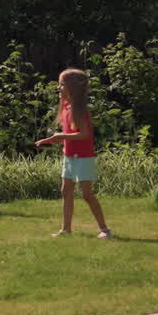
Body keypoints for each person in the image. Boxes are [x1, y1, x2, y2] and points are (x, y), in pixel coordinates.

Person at [34, 68, 111, 239]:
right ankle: (66, 229)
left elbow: (84, 134)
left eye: (61, 84)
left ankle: (104, 230)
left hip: (84, 158)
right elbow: (70, 134)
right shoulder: (67, 107)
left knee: (86, 194)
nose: (58, 87)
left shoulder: (80, 110)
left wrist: (60, 136)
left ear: (72, 87)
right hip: (69, 156)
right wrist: (50, 140)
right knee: (65, 190)